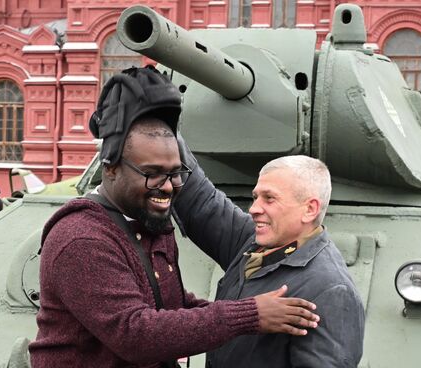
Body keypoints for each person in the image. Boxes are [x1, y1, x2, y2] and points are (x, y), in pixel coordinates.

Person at [29, 66, 319, 368]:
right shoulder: (81, 238)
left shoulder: (149, 223)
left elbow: (170, 304)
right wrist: (249, 315)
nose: (167, 187)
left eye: (174, 173)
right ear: (111, 167)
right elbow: (136, 334)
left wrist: (259, 316)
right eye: (152, 174)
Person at [174, 149, 365, 367]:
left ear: (310, 209)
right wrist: (165, 128)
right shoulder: (255, 243)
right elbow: (200, 202)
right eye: (256, 197)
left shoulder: (330, 289)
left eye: (269, 198)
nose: (254, 208)